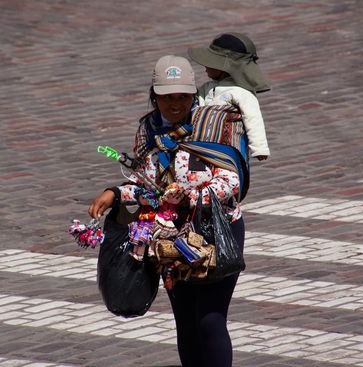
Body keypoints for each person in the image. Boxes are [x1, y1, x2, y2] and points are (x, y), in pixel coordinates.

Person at [88, 55, 245, 367]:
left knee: (210, 321)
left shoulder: (215, 125)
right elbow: (147, 185)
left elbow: (231, 181)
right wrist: (116, 193)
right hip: (169, 242)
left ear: (192, 96)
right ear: (155, 96)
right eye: (167, 98)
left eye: (182, 97)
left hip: (216, 233)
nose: (175, 105)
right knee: (186, 321)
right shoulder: (148, 130)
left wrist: (189, 196)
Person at [188, 32, 271, 161]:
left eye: (209, 63)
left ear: (224, 67)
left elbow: (253, 118)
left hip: (229, 148)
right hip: (202, 144)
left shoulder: (242, 93)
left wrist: (259, 148)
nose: (205, 67)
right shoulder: (207, 87)